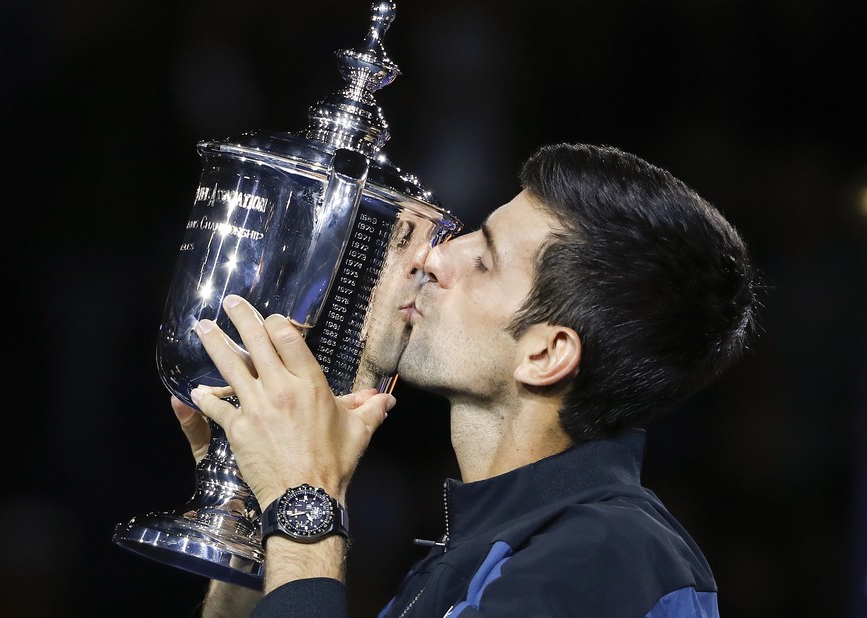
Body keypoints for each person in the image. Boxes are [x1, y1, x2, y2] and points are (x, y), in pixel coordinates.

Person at [173, 142, 758, 617]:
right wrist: (257, 507)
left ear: (546, 354)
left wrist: (305, 496)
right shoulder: (489, 553)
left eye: (484, 261)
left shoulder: (609, 556)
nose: (435, 256)